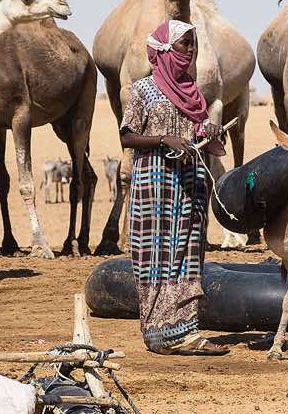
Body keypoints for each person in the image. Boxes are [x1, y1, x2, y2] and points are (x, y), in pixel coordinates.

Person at [120, 20, 228, 355]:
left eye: (193, 44)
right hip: (155, 186)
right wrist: (163, 139)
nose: (191, 50)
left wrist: (208, 132)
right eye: (185, 44)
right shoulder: (142, 91)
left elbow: (195, 133)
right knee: (156, 253)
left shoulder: (193, 92)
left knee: (189, 253)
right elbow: (127, 135)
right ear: (166, 50)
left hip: (190, 184)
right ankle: (158, 333)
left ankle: (187, 332)